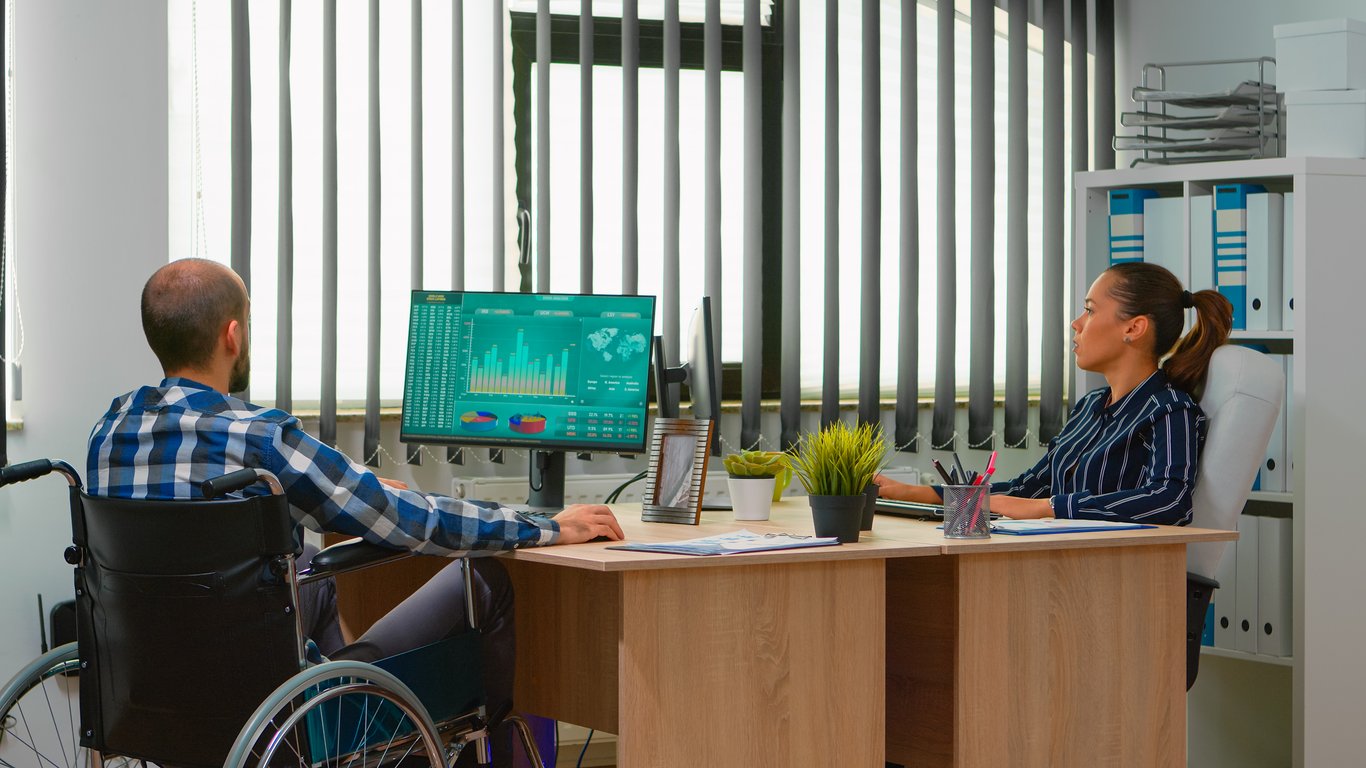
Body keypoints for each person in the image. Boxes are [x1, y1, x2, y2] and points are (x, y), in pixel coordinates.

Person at [87, 258, 625, 766]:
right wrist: (549, 526)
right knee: (484, 579)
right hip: (272, 711)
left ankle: (358, 748)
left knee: (309, 580)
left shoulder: (108, 435)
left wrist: (356, 490)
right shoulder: (258, 436)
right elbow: (411, 521)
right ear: (233, 334)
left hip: (153, 700)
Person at [876, 262, 1233, 525]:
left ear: (1133, 327)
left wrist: (1050, 507)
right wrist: (907, 493)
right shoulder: (1091, 406)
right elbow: (1028, 487)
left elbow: (1170, 500)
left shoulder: (1170, 409)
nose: (1077, 323)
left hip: (1115, 575)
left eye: (1090, 310)